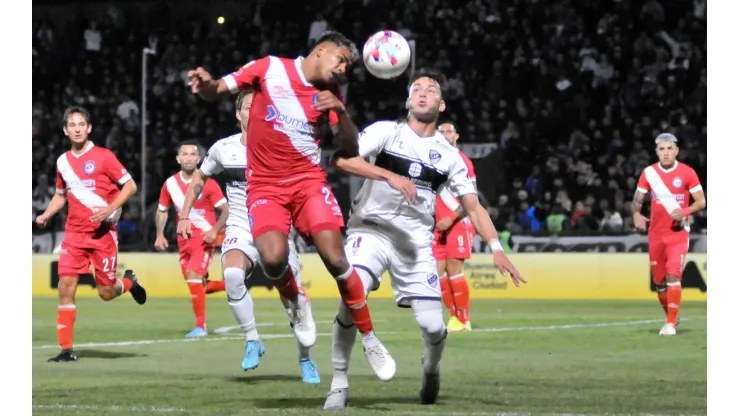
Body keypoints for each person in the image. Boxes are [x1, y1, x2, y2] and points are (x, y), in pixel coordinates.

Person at [187, 31, 395, 380]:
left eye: (346, 65)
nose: (342, 69)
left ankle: (370, 337)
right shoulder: (269, 68)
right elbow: (217, 91)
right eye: (340, 60)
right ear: (320, 50)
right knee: (272, 259)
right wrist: (206, 83)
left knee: (336, 258)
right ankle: (296, 302)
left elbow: (349, 147)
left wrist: (341, 113)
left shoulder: (330, 93)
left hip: (308, 183)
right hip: (265, 186)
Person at [323, 69, 525, 410]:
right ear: (407, 100)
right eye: (415, 88)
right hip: (370, 229)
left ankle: (430, 370)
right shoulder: (386, 132)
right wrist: (388, 174)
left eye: (430, 90)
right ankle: (339, 382)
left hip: (415, 243)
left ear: (441, 104)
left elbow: (473, 208)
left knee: (432, 326)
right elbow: (341, 160)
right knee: (351, 292)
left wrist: (496, 248)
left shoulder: (450, 158)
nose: (422, 93)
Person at [177, 89, 320, 383]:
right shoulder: (223, 149)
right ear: (238, 114)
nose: (252, 112)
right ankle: (253, 338)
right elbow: (200, 178)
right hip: (241, 226)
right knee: (231, 274)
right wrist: (183, 215)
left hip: (277, 229)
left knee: (294, 302)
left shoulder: (282, 145)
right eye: (247, 108)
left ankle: (306, 359)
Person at [36, 106, 146, 363]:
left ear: (89, 128)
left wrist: (110, 208)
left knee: (106, 293)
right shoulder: (62, 161)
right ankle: (66, 349)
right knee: (66, 287)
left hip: (102, 235)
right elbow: (61, 195)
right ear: (65, 130)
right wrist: (47, 214)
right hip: (74, 234)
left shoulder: (104, 156)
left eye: (81, 124)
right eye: (71, 124)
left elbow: (130, 186)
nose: (76, 128)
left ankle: (129, 283)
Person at [632, 133, 706, 336]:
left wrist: (684, 211)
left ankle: (671, 324)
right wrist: (636, 214)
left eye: (669, 148)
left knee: (673, 274)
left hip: (678, 233)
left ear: (676, 150)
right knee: (659, 281)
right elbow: (638, 199)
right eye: (661, 149)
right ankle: (671, 317)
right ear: (656, 152)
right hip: (655, 234)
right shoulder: (649, 173)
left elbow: (701, 202)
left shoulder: (687, 172)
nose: (665, 153)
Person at [155, 140, 228, 338]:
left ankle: (200, 327)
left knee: (194, 277)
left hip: (203, 238)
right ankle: (234, 285)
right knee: (198, 284)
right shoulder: (170, 184)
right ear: (178, 159)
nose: (188, 157)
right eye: (184, 154)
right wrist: (160, 234)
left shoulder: (209, 183)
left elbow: (225, 210)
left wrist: (215, 231)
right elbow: (162, 211)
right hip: (183, 240)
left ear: (198, 159)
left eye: (192, 154)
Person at [433, 122, 477, 332]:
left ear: (456, 136)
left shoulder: (462, 161)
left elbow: (472, 198)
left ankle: (463, 319)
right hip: (438, 225)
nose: (444, 134)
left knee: (454, 270)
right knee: (436, 272)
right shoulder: (432, 161)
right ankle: (454, 316)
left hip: (458, 222)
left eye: (448, 131)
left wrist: (451, 219)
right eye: (440, 131)